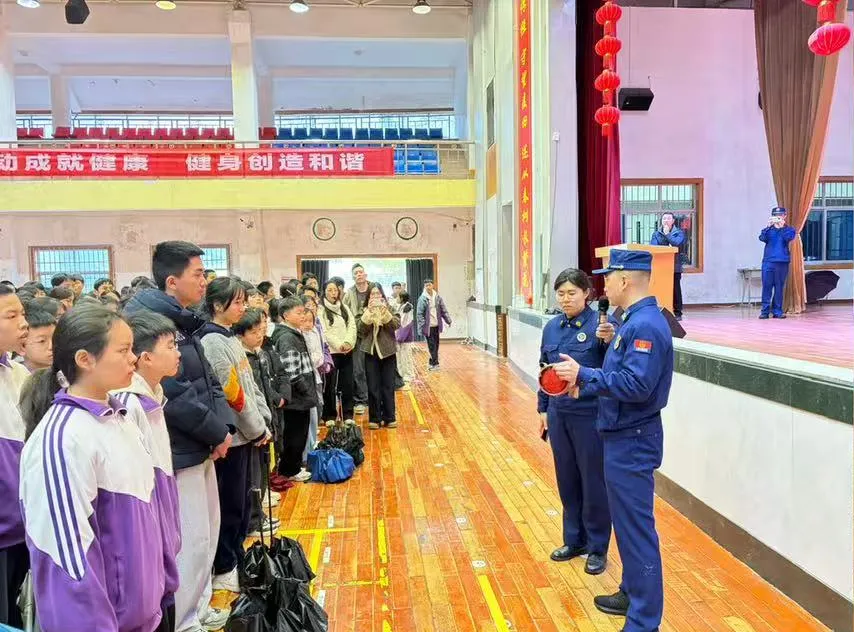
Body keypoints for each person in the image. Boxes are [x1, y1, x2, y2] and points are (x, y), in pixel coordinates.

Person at [18, 306, 173, 632]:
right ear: (85, 360)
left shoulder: (120, 417)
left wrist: (164, 581)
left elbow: (151, 512)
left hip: (146, 612)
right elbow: (69, 562)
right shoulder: (63, 439)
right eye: (123, 350)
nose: (134, 358)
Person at [553, 249, 673, 632]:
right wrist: (584, 386)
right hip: (621, 435)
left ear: (624, 280)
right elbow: (619, 378)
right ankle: (631, 593)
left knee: (637, 530)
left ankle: (644, 620)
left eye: (608, 277)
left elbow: (637, 385)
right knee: (625, 524)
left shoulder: (646, 326)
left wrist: (584, 375)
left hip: (633, 439)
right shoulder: (631, 321)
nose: (603, 284)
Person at [124, 241, 235, 632]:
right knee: (188, 539)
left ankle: (199, 610)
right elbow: (173, 392)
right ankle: (185, 621)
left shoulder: (185, 320)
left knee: (207, 533)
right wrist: (214, 430)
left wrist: (224, 427)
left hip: (203, 442)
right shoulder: (149, 324)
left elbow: (209, 380)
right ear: (172, 281)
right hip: (178, 447)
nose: (205, 281)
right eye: (198, 274)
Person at [537, 269, 614, 576]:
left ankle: (597, 547)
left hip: (590, 415)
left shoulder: (602, 326)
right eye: (561, 293)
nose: (565, 299)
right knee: (567, 479)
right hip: (559, 414)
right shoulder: (552, 328)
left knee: (593, 482)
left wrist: (610, 340)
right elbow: (544, 369)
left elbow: (612, 371)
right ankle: (574, 540)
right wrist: (543, 408)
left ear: (587, 294)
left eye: (571, 293)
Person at [198, 277, 271, 595]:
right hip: (235, 438)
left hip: (249, 433)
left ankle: (236, 558)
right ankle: (225, 566)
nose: (244, 307)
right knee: (230, 506)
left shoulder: (229, 337)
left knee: (241, 504)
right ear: (218, 305)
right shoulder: (212, 342)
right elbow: (232, 394)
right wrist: (256, 428)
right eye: (238, 302)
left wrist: (263, 418)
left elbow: (249, 384)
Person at [114, 310, 184, 632]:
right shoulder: (129, 404)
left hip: (162, 521)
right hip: (146, 525)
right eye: (170, 346)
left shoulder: (153, 395)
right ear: (146, 358)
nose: (178, 352)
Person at [234, 307, 284, 540]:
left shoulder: (260, 353)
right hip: (251, 426)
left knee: (263, 469)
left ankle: (259, 514)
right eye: (253, 332)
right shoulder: (242, 357)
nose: (259, 336)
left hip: (265, 417)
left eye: (261, 330)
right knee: (252, 478)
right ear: (241, 334)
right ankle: (253, 520)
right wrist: (257, 423)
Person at [0, 285, 30, 628]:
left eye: (22, 313)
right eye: (12, 316)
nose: (24, 323)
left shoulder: (19, 375)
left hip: (22, 526)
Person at [270, 297, 315, 483]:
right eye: (299, 313)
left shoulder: (294, 334)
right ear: (285, 316)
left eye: (303, 312)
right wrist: (306, 390)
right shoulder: (287, 337)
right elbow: (291, 372)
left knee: (299, 432)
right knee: (295, 434)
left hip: (301, 396)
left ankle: (294, 466)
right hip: (296, 397)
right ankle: (290, 470)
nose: (303, 316)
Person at [359, 284, 401, 429]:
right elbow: (360, 329)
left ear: (382, 295)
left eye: (378, 293)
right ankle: (375, 418)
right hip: (370, 352)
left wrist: (385, 314)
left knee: (388, 385)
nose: (376, 296)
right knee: (373, 386)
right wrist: (368, 315)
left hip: (388, 352)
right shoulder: (363, 310)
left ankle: (389, 417)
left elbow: (396, 325)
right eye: (373, 294)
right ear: (368, 296)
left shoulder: (390, 308)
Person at [320, 280, 357, 426]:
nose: (333, 293)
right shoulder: (321, 310)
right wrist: (339, 345)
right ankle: (329, 415)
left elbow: (352, 326)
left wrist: (348, 342)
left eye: (335, 290)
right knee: (330, 385)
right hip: (332, 353)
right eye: (329, 290)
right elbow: (325, 332)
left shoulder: (344, 308)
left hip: (347, 352)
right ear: (324, 292)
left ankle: (347, 413)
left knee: (347, 384)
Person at [759, 206, 797, 320]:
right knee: (766, 286)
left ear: (785, 216)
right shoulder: (768, 230)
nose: (778, 217)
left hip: (782, 262)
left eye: (780, 215)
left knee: (779, 287)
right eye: (776, 215)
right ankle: (764, 312)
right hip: (768, 261)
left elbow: (788, 238)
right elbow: (762, 238)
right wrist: (768, 226)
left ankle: (777, 311)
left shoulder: (789, 230)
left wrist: (781, 228)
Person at [343, 263, 371, 414]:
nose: (359, 275)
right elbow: (344, 313)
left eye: (361, 272)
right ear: (353, 277)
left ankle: (374, 398)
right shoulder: (349, 293)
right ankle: (361, 400)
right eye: (356, 273)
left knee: (373, 368)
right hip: (358, 335)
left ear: (365, 274)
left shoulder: (374, 289)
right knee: (358, 369)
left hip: (373, 335)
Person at [649, 212, 686, 321]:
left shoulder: (679, 233)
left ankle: (677, 312)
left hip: (674, 266)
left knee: (675, 289)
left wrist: (667, 234)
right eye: (664, 218)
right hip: (660, 266)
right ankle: (660, 310)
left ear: (673, 221)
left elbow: (677, 244)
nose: (666, 220)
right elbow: (654, 247)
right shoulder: (656, 234)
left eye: (668, 218)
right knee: (660, 288)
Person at [416, 279, 452, 371]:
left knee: (436, 344)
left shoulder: (437, 297)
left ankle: (432, 362)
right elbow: (419, 314)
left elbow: (443, 309)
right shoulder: (422, 299)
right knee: (432, 345)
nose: (428, 287)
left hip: (436, 325)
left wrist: (448, 320)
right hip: (428, 327)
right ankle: (435, 364)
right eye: (426, 285)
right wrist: (423, 326)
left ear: (433, 285)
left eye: (429, 285)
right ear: (424, 287)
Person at [19, 304, 56, 373]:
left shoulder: (67, 372)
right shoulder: (14, 375)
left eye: (55, 338)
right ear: (22, 346)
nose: (51, 346)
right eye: (42, 341)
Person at [395, 291, 416, 384]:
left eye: (398, 297)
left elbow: (406, 324)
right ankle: (401, 374)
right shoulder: (400, 307)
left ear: (402, 298)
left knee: (406, 356)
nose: (397, 299)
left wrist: (401, 337)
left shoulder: (408, 307)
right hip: (399, 335)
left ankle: (409, 375)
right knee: (399, 356)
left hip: (405, 336)